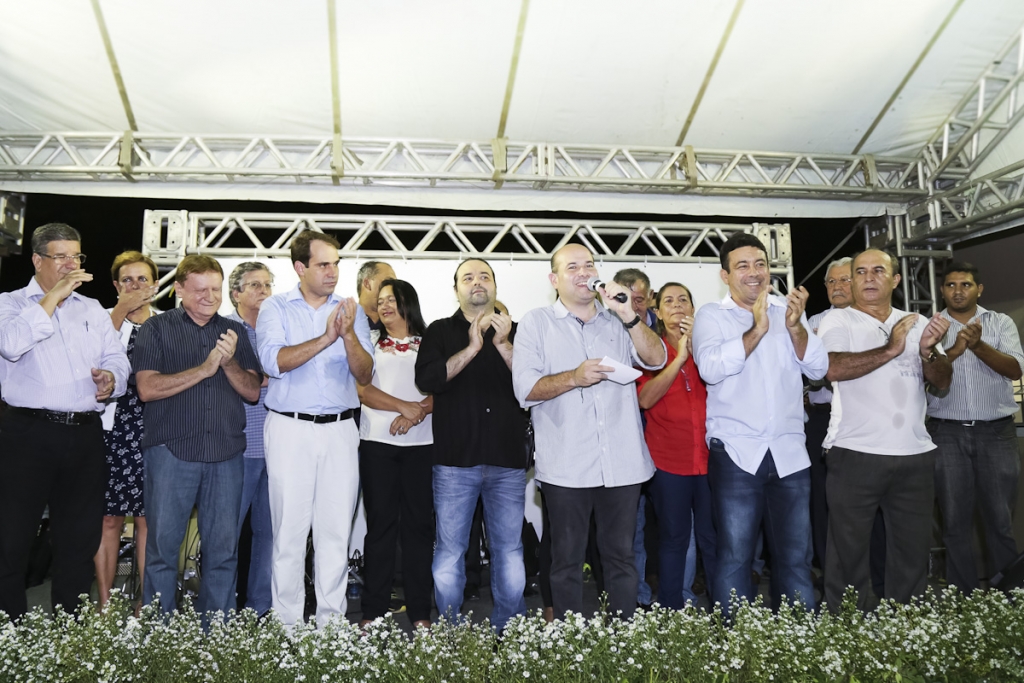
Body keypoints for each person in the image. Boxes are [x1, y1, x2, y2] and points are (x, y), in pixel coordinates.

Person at [512, 244, 666, 619]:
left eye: (590, 265)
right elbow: (525, 390)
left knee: (621, 558)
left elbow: (657, 358)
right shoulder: (536, 323)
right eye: (572, 267)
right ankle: (572, 644)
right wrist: (574, 377)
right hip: (567, 465)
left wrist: (629, 316)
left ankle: (623, 640)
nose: (584, 272)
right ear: (554, 279)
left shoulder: (618, 320)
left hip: (622, 462)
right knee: (566, 560)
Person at [691, 232, 827, 613]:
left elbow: (819, 369)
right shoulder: (711, 316)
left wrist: (796, 327)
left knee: (796, 557)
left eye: (760, 264)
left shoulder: (788, 311)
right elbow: (710, 368)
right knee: (735, 556)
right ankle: (736, 640)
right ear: (725, 275)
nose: (754, 272)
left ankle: (799, 636)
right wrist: (757, 329)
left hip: (789, 453)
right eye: (742, 266)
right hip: (737, 453)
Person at [0, 223, 130, 619]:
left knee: (78, 540)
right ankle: (9, 630)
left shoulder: (91, 308)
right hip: (27, 433)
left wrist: (112, 379)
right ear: (37, 260)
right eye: (61, 257)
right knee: (12, 538)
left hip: (85, 434)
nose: (72, 264)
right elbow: (10, 345)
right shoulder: (10, 304)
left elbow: (116, 358)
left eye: (77, 256)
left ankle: (68, 631)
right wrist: (53, 296)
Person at [819, 249, 952, 612]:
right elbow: (832, 368)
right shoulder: (838, 319)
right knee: (847, 555)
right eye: (860, 272)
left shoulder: (917, 323)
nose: (868, 277)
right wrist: (893, 348)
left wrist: (928, 353)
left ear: (895, 280)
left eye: (878, 270)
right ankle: (850, 630)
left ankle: (903, 629)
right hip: (854, 452)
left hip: (914, 454)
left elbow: (943, 381)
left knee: (912, 553)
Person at [256, 230, 373, 627]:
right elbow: (274, 361)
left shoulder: (350, 310)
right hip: (290, 429)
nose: (332, 272)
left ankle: (331, 626)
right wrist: (327, 337)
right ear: (299, 268)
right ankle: (287, 626)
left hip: (341, 430)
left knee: (336, 533)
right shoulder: (275, 307)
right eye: (323, 264)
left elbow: (365, 374)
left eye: (336, 264)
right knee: (289, 533)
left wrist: (349, 334)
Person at [135, 254, 262, 616]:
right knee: (162, 551)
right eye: (201, 289)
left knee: (223, 553)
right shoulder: (156, 328)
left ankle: (216, 632)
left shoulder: (234, 332)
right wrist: (205, 369)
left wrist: (229, 362)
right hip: (171, 452)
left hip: (226, 454)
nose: (210, 297)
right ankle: (159, 634)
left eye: (216, 290)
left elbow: (253, 391)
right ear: (179, 289)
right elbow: (147, 388)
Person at [414, 258, 527, 632]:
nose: (477, 282)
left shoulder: (518, 331)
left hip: (508, 461)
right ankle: (450, 631)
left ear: (495, 285)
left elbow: (534, 385)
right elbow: (428, 380)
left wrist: (503, 344)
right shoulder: (439, 331)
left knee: (509, 551)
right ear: (456, 289)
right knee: (450, 553)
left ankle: (508, 631)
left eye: (484, 276)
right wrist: (472, 347)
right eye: (468, 277)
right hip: (454, 462)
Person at [926, 261, 1023, 592]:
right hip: (947, 432)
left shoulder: (999, 322)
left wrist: (978, 345)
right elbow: (925, 375)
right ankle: (963, 603)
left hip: (996, 432)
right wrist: (955, 349)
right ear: (942, 291)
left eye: (965, 284)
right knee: (954, 524)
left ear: (978, 289)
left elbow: (1015, 370)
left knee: (1000, 522)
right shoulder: (931, 327)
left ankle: (1007, 602)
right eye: (951, 285)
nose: (958, 291)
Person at [357, 278, 434, 629]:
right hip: (377, 445)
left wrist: (417, 413)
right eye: (381, 300)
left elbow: (445, 388)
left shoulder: (431, 342)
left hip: (422, 447)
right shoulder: (369, 342)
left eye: (392, 299)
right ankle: (372, 612)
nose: (385, 305)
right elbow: (362, 390)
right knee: (380, 529)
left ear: (408, 302)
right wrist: (405, 407)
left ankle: (421, 613)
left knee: (419, 529)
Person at [637, 282, 717, 609]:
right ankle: (670, 613)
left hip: (712, 460)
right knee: (674, 539)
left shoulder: (710, 346)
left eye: (683, 299)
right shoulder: (650, 351)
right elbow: (644, 399)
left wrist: (696, 349)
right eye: (668, 301)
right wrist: (680, 358)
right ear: (657, 312)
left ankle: (726, 613)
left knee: (714, 539)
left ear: (693, 308)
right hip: (668, 461)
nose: (677, 305)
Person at [94, 251, 160, 609]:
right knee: (109, 519)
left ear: (155, 285)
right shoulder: (99, 320)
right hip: (111, 430)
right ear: (116, 285)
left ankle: (144, 605)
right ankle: (105, 606)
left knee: (148, 519)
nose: (135, 286)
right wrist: (120, 311)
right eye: (127, 280)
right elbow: (91, 359)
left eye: (143, 279)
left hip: (155, 431)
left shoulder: (167, 324)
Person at [226, 261, 274, 615]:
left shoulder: (279, 329)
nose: (263, 291)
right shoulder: (224, 331)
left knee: (270, 535)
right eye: (255, 285)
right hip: (238, 446)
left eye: (267, 284)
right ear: (236, 294)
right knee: (227, 534)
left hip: (279, 446)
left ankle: (259, 609)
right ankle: (222, 609)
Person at [612, 268, 657, 609]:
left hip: (668, 444)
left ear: (650, 298)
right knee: (632, 528)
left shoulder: (665, 330)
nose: (632, 306)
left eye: (638, 299)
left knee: (672, 529)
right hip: (627, 442)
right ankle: (636, 597)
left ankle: (673, 593)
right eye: (624, 299)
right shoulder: (608, 327)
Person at [805, 258, 852, 571]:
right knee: (821, 498)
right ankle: (827, 569)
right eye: (831, 281)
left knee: (862, 496)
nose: (837, 287)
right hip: (821, 418)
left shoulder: (870, 320)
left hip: (859, 418)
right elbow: (805, 373)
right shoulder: (814, 323)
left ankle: (870, 573)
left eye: (844, 280)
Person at [356, 261, 397, 330]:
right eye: (388, 282)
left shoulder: (400, 323)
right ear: (367, 283)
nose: (393, 287)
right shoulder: (344, 321)